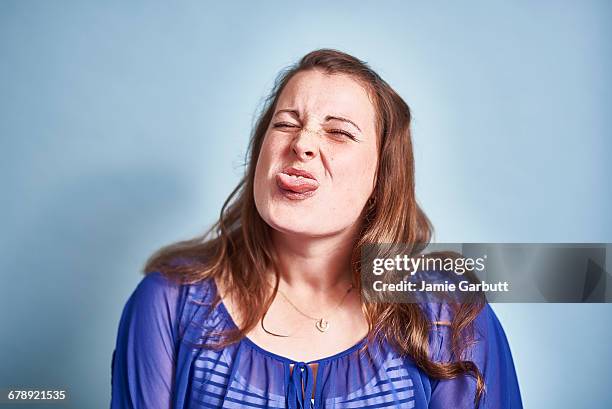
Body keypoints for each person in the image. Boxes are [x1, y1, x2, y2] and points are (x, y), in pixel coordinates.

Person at [110, 49, 522, 408]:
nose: (301, 143)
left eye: (339, 132)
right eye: (285, 123)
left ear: (382, 177)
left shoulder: (450, 313)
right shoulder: (169, 300)